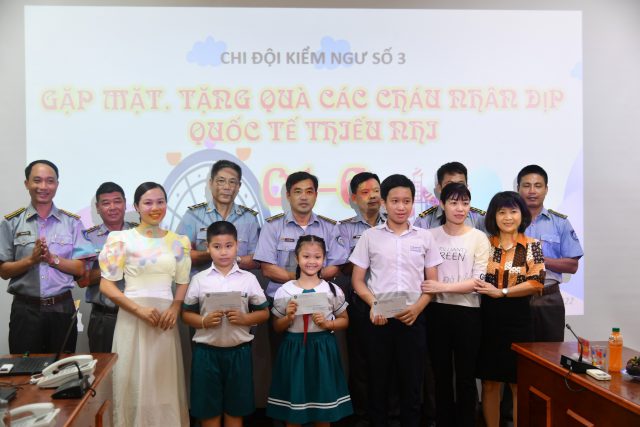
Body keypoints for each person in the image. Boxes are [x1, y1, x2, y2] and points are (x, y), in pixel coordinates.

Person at [350, 174, 442, 427]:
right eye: (395, 201)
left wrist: (417, 309)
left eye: (407, 201)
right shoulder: (370, 236)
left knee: (412, 383)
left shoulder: (424, 237)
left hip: (414, 318)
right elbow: (358, 280)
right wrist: (374, 305)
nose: (401, 207)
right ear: (384, 203)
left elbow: (432, 284)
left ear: (413, 203)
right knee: (378, 382)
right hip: (378, 318)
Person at [99, 182, 191, 426]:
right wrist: (138, 310)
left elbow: (183, 281)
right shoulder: (120, 239)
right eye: (148, 203)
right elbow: (106, 285)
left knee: (163, 384)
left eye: (160, 202)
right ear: (137, 207)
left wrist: (175, 308)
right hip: (132, 318)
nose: (155, 207)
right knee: (132, 383)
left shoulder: (178, 241)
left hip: (164, 322)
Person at [0, 160, 93, 354]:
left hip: (62, 308)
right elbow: (4, 271)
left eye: (50, 181)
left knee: (62, 368)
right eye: (37, 180)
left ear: (57, 185)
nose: (43, 186)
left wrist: (52, 259)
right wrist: (31, 260)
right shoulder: (11, 223)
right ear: (27, 184)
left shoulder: (72, 223)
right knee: (24, 368)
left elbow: (80, 269)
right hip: (25, 310)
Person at [182, 221, 269, 427]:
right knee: (208, 411)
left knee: (235, 409)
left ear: (237, 246)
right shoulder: (199, 280)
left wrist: (245, 319)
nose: (223, 252)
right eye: (217, 246)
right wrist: (203, 321)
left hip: (239, 352)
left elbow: (264, 313)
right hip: (206, 353)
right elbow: (186, 315)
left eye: (229, 246)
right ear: (208, 247)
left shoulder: (248, 279)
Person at [420, 183, 491, 427]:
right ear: (442, 205)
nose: (460, 208)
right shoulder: (430, 236)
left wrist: (440, 287)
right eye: (453, 203)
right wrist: (436, 289)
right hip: (436, 311)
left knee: (466, 376)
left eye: (465, 203)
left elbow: (478, 282)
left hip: (468, 312)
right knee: (440, 376)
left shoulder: (478, 237)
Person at [474, 191, 545, 427]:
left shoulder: (532, 245)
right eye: (501, 212)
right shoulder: (484, 243)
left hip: (519, 319)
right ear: (493, 216)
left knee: (518, 383)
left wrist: (502, 292)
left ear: (522, 214)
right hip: (488, 319)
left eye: (513, 211)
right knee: (489, 382)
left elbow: (536, 283)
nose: (507, 217)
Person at [266, 235, 352, 426]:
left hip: (322, 349)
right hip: (294, 349)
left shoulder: (332, 289)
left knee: (323, 409)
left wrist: (328, 324)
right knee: (294, 408)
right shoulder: (285, 290)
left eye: (317, 257)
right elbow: (276, 326)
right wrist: (288, 317)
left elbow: (344, 321)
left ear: (324, 259)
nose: (311, 261)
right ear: (297, 258)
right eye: (306, 256)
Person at [254, 171, 348, 300]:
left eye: (309, 192)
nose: (304, 197)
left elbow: (336, 267)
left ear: (316, 195)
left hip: (321, 299)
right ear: (288, 195)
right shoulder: (272, 226)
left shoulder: (330, 227)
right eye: (298, 192)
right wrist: (301, 279)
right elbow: (267, 269)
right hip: (281, 298)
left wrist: (310, 280)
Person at [337, 171, 384, 425]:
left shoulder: (396, 222)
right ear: (354, 198)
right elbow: (343, 267)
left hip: (391, 301)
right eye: (365, 192)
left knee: (390, 361)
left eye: (376, 191)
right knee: (360, 362)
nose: (373, 196)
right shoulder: (344, 228)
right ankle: (362, 416)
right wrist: (367, 252)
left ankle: (389, 415)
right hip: (358, 302)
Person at [516, 165, 583, 342]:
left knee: (551, 352)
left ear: (546, 189)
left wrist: (540, 259)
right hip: (515, 297)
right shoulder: (507, 221)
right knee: (515, 352)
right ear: (518, 189)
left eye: (538, 186)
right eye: (526, 185)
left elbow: (572, 266)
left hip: (549, 297)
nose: (532, 191)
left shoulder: (560, 223)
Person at [80, 182, 138, 352]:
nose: (112, 207)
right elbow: (83, 280)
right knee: (105, 367)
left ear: (125, 204)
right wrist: (113, 265)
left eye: (117, 201)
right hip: (105, 317)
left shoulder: (139, 233)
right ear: (98, 208)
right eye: (106, 203)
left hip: (138, 313)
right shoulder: (88, 237)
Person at [177, 160, 260, 275]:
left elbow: (257, 259)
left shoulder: (250, 218)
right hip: (201, 283)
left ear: (238, 186)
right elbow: (180, 254)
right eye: (221, 181)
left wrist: (231, 259)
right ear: (211, 183)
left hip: (238, 284)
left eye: (232, 182)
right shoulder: (193, 215)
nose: (227, 187)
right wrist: (212, 254)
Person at [414, 161, 486, 232]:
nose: (456, 189)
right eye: (450, 185)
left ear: (467, 187)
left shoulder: (480, 219)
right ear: (439, 188)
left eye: (460, 184)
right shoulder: (424, 221)